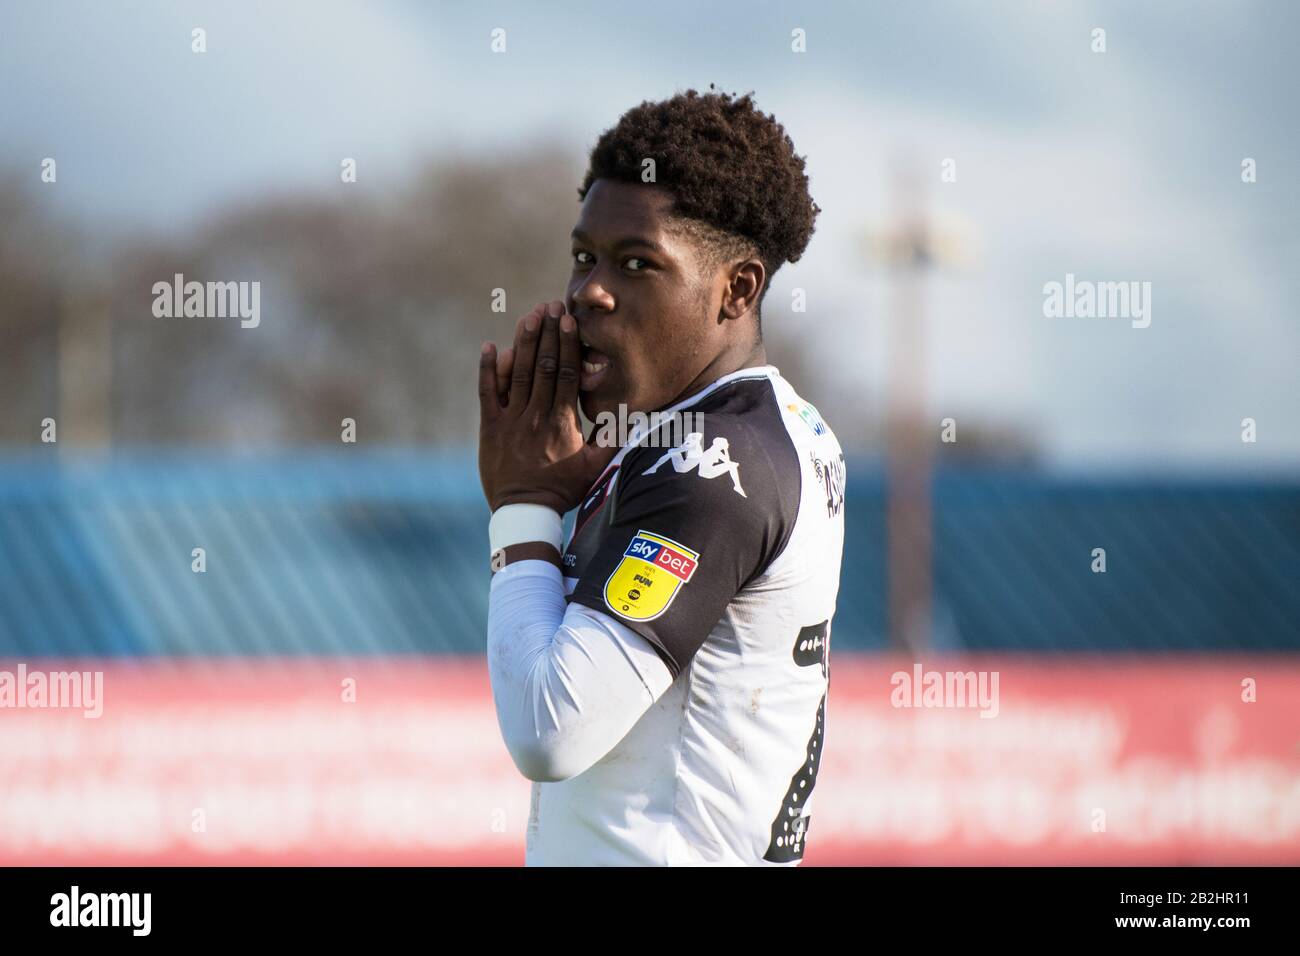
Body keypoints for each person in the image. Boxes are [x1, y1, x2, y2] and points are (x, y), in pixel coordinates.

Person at [477, 86, 845, 865]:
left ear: (736, 290)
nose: (589, 292)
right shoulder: (755, 432)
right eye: (584, 257)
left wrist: (523, 510)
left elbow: (552, 731)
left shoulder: (713, 461)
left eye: (637, 264)